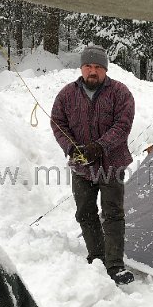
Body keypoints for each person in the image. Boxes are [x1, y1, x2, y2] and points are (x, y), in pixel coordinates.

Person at [51, 45, 135, 285]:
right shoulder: (67, 94)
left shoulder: (120, 92)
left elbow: (122, 125)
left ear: (105, 69)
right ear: (81, 68)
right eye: (88, 66)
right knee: (85, 213)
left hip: (112, 164)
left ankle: (115, 265)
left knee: (113, 215)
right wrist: (71, 148)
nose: (92, 71)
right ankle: (97, 258)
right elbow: (57, 123)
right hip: (81, 167)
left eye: (98, 67)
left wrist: (99, 147)